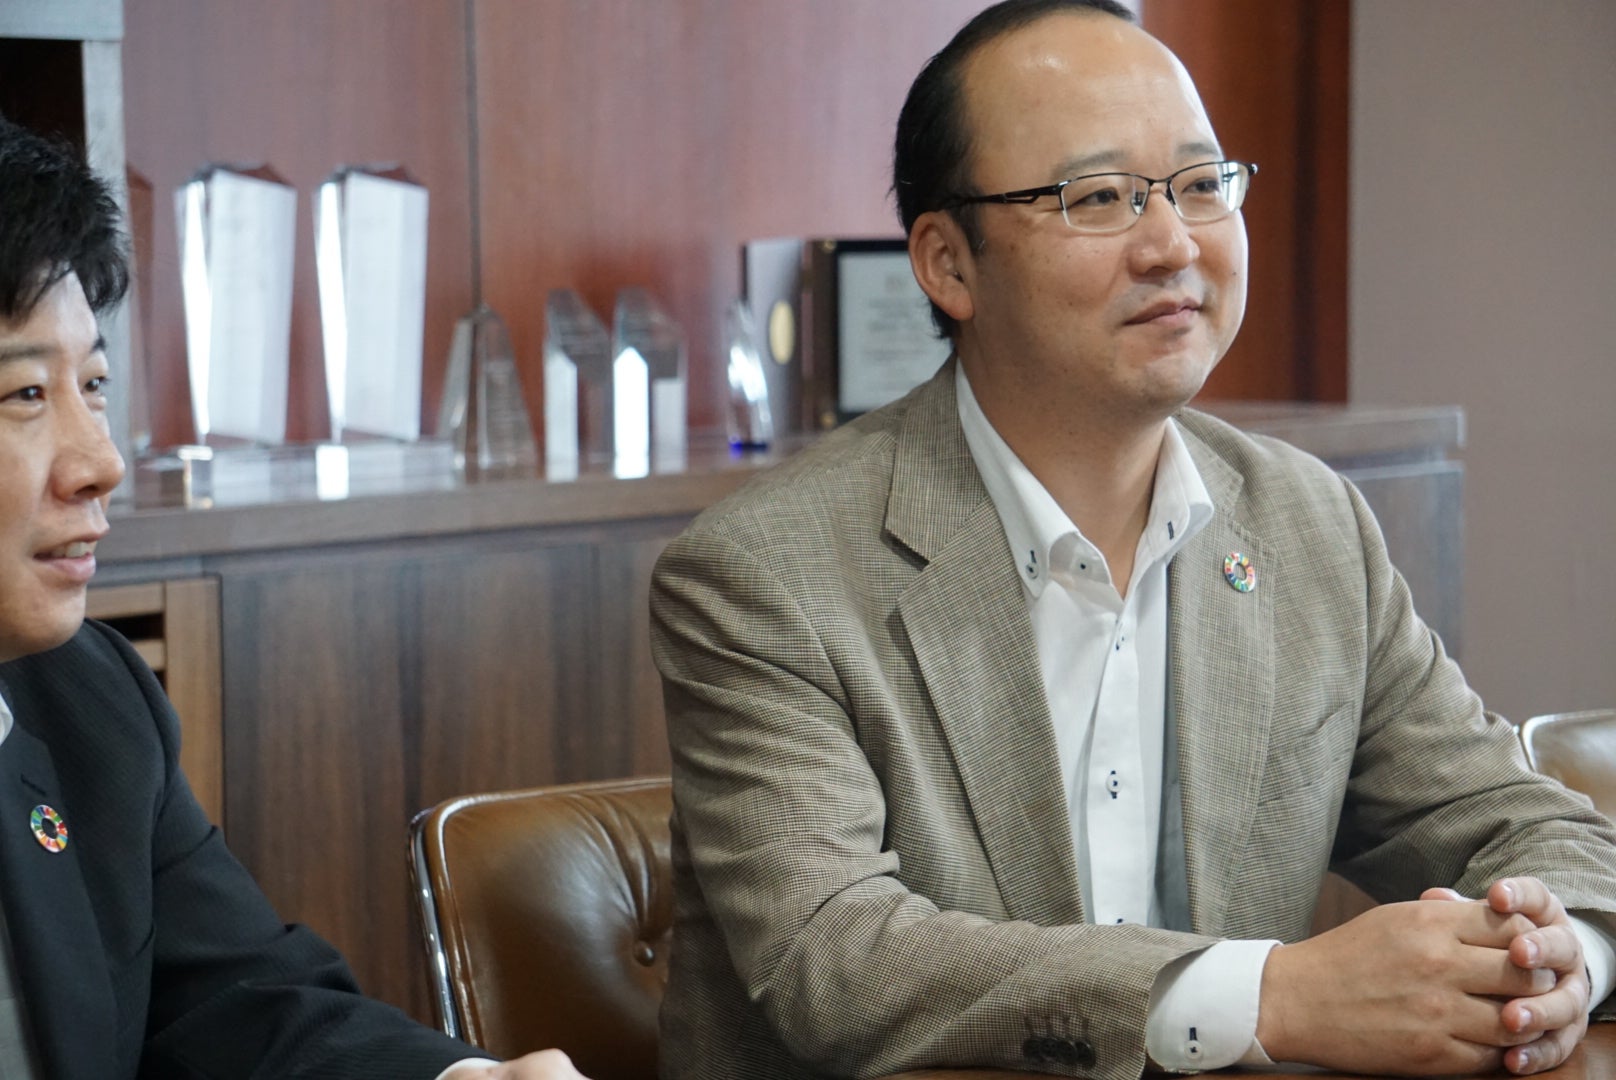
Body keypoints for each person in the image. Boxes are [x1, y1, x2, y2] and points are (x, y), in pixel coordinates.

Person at [648, 2, 1616, 1078]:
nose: (1172, 244)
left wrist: (1559, 957)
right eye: (1097, 198)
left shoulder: (1306, 526)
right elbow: (836, 960)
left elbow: (1526, 827)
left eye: (1201, 185)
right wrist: (1270, 995)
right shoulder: (765, 574)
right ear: (947, 264)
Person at [0, 115, 591, 1079]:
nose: (101, 463)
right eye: (26, 395)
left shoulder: (88, 706)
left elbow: (241, 1007)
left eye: (95, 384)